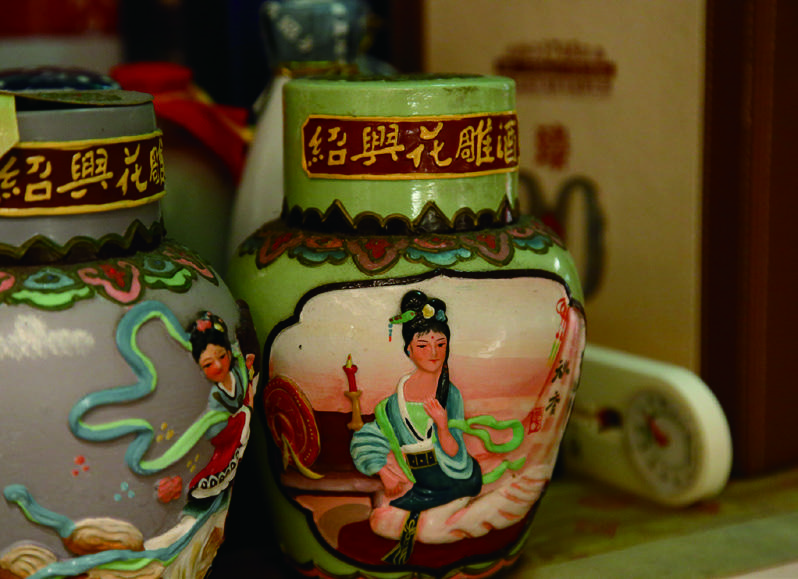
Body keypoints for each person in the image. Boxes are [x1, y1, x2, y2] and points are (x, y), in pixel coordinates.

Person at [351, 290, 482, 513]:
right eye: (423, 346)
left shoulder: (451, 395)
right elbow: (367, 438)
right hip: (420, 481)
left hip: (452, 478)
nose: (433, 353)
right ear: (409, 350)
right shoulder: (392, 406)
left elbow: (455, 453)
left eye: (440, 344)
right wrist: (383, 471)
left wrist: (442, 425)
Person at [187, 312, 255, 500]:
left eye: (222, 356)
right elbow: (213, 432)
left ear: (229, 353)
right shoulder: (215, 397)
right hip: (225, 437)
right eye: (208, 364)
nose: (218, 366)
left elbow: (247, 389)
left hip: (239, 430)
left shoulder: (238, 374)